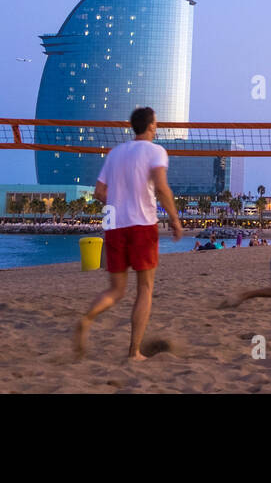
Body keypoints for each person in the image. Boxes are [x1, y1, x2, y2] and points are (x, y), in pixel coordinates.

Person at [75, 106, 184, 361]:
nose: (157, 127)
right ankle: (134, 351)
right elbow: (162, 187)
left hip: (114, 226)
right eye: (156, 123)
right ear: (151, 126)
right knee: (145, 288)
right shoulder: (156, 150)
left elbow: (100, 192)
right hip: (142, 225)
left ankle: (87, 318)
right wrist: (175, 219)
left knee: (116, 290)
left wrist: (119, 205)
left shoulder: (115, 153)